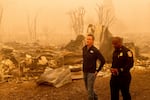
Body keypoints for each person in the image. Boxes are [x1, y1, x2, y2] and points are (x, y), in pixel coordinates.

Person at [82, 34, 105, 100]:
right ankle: (96, 98)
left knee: (89, 90)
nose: (87, 40)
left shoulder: (95, 50)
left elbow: (103, 60)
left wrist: (97, 70)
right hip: (85, 71)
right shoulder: (84, 48)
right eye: (87, 39)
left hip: (92, 72)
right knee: (88, 88)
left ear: (93, 41)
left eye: (89, 39)